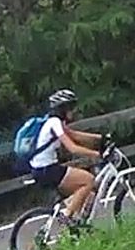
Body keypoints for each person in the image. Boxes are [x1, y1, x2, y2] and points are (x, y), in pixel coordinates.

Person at [29, 89, 109, 229]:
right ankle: (66, 215)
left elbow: (74, 135)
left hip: (42, 169)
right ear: (62, 109)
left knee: (88, 194)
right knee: (88, 180)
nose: (73, 111)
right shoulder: (54, 123)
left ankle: (77, 227)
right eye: (70, 108)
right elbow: (72, 147)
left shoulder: (54, 122)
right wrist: (98, 154)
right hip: (47, 169)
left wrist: (101, 139)